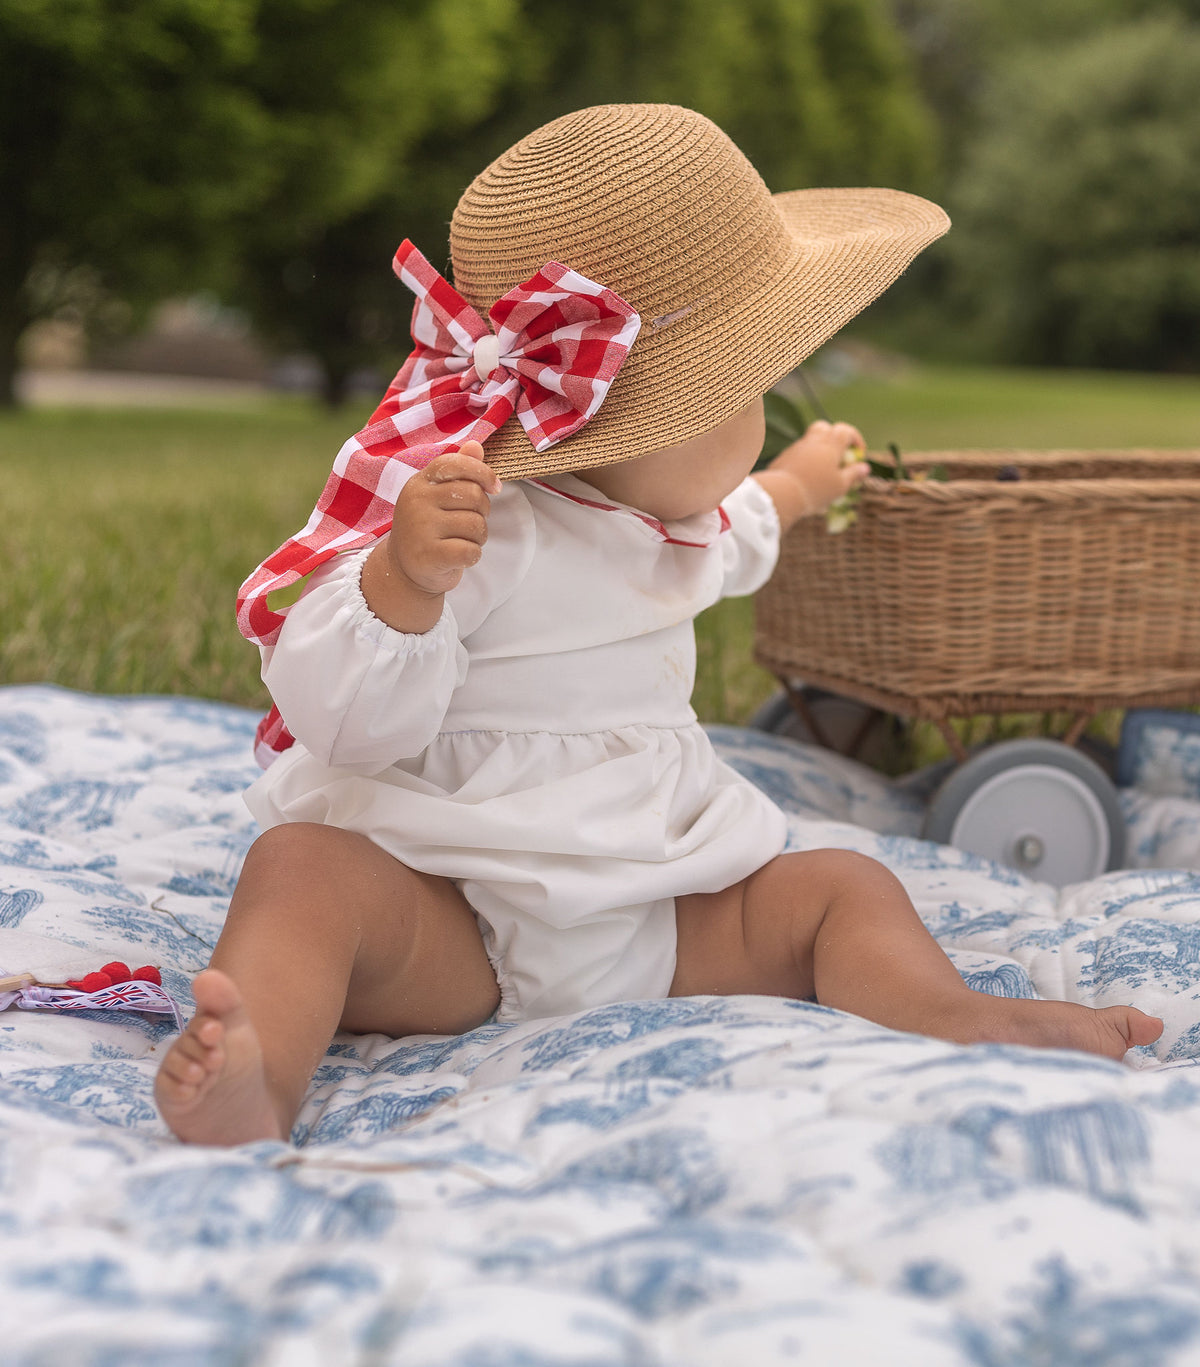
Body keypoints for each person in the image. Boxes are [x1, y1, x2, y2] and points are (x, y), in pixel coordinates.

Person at [155, 104, 1162, 1146]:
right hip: (453, 905)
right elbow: (349, 724)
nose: (756, 415)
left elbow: (740, 530)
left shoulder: (670, 516)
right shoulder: (485, 529)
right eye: (741, 393)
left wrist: (799, 485)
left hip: (659, 905)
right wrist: (403, 583)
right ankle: (256, 1076)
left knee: (842, 886)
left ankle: (951, 1012)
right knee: (305, 873)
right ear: (633, 420)